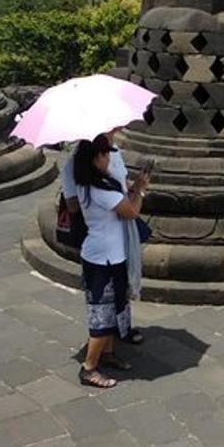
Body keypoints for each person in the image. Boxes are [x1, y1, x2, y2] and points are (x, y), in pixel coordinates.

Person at [74, 132, 150, 388]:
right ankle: (89, 367)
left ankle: (106, 355)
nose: (109, 158)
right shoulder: (98, 189)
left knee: (114, 308)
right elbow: (130, 211)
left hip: (110, 254)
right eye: (105, 154)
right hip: (101, 259)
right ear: (95, 158)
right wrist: (139, 188)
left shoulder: (94, 182)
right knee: (102, 316)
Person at [61, 130, 145, 345]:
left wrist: (127, 192)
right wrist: (110, 201)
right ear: (96, 158)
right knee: (101, 306)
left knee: (118, 291)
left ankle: (117, 335)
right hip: (100, 243)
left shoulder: (111, 157)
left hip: (115, 240)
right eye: (105, 155)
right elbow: (73, 205)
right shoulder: (85, 178)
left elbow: (122, 189)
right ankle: (92, 362)